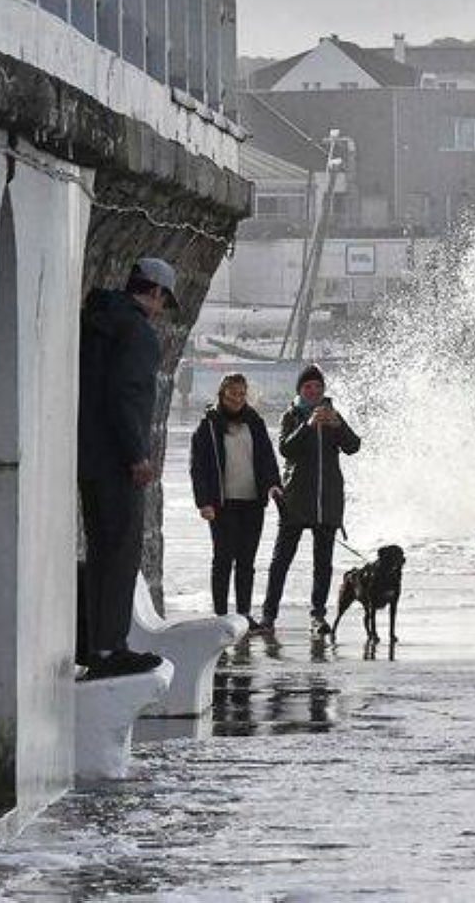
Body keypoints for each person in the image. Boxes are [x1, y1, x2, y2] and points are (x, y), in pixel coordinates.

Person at [75, 257, 179, 679]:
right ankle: (111, 648)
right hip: (117, 462)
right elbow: (125, 395)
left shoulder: (96, 323)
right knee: (120, 553)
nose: (160, 310)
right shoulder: (137, 332)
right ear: (154, 292)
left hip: (88, 458)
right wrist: (137, 454)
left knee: (101, 551)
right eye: (164, 302)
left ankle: (97, 647)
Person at [261, 364, 361, 634]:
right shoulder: (291, 415)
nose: (313, 391)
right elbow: (286, 449)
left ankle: (318, 615)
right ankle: (268, 616)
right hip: (295, 501)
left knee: (323, 563)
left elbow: (353, 446)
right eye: (308, 387)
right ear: (300, 390)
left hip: (327, 500)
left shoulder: (333, 414)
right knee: (281, 561)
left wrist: (338, 425)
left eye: (318, 387)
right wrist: (307, 426)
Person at [189, 373, 282, 624]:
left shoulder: (255, 422)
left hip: (252, 502)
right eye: (232, 393)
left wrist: (273, 485)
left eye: (241, 394)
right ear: (222, 394)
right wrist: (204, 502)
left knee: (246, 561)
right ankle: (220, 615)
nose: (237, 399)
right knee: (223, 559)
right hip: (222, 503)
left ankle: (243, 615)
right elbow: (198, 468)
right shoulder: (208, 426)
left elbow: (267, 458)